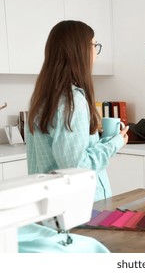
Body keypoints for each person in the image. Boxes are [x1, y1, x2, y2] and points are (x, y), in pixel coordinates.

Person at [21, 20, 129, 253]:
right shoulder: (71, 101)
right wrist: (115, 143)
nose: (96, 54)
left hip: (51, 214)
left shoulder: (43, 97)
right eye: (93, 46)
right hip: (79, 212)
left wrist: (101, 140)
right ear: (79, 50)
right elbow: (76, 167)